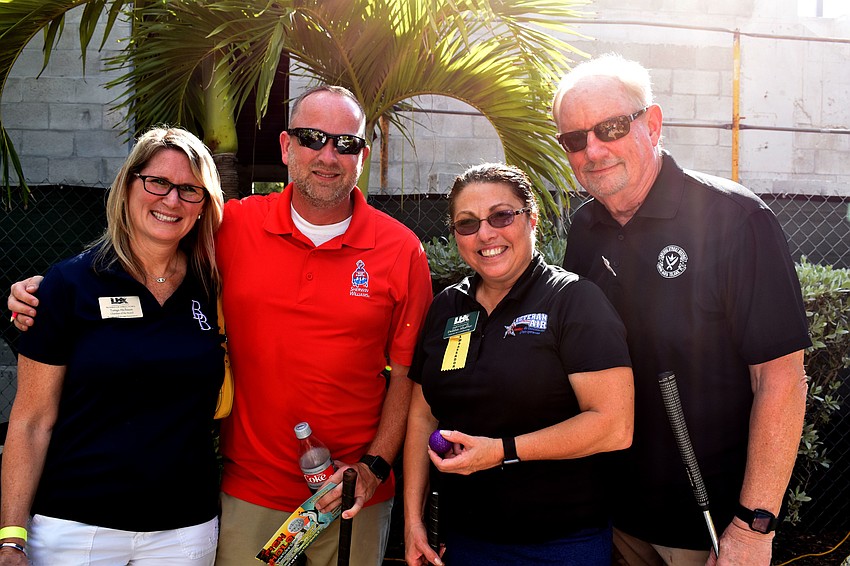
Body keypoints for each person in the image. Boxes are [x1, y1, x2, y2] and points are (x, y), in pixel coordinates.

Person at [9, 85, 433, 566]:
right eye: (312, 138)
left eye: (346, 143)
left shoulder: (401, 250)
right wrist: (46, 290)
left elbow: (407, 375)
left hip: (353, 495)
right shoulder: (231, 226)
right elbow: (149, 251)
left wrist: (374, 466)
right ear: (286, 146)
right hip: (249, 491)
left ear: (363, 156)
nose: (328, 155)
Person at [552, 53, 811, 566]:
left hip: (705, 532)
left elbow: (781, 379)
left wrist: (753, 528)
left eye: (610, 128)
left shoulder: (736, 219)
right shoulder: (584, 229)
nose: (593, 150)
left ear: (652, 124)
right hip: (610, 518)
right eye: (575, 139)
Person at [0, 127, 225, 565]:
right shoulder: (69, 285)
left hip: (184, 531)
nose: (171, 200)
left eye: (189, 189)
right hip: (75, 528)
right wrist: (11, 538)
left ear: (204, 206)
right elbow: (30, 421)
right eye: (157, 182)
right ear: (128, 186)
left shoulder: (214, 287)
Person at [402, 163, 634, 566]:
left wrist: (502, 451)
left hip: (560, 545)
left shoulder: (573, 301)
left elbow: (614, 426)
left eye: (501, 216)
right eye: (467, 223)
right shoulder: (447, 307)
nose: (485, 234)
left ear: (531, 219)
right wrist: (412, 520)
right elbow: (423, 415)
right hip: (463, 541)